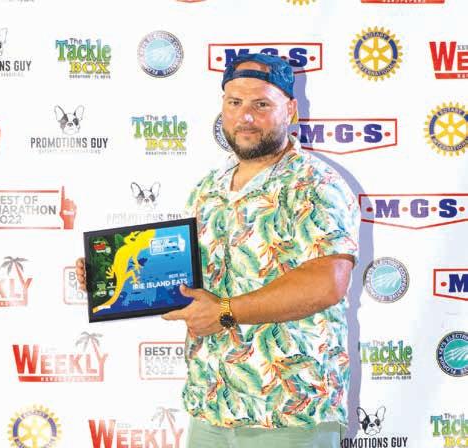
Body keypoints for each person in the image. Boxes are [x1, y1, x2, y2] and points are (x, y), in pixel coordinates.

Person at [76, 53, 359, 448]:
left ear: (291, 110)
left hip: (289, 410)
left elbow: (327, 283)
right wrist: (111, 278)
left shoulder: (316, 183)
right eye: (235, 103)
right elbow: (185, 279)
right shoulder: (209, 187)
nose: (246, 116)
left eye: (261, 104)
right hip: (212, 403)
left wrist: (225, 311)